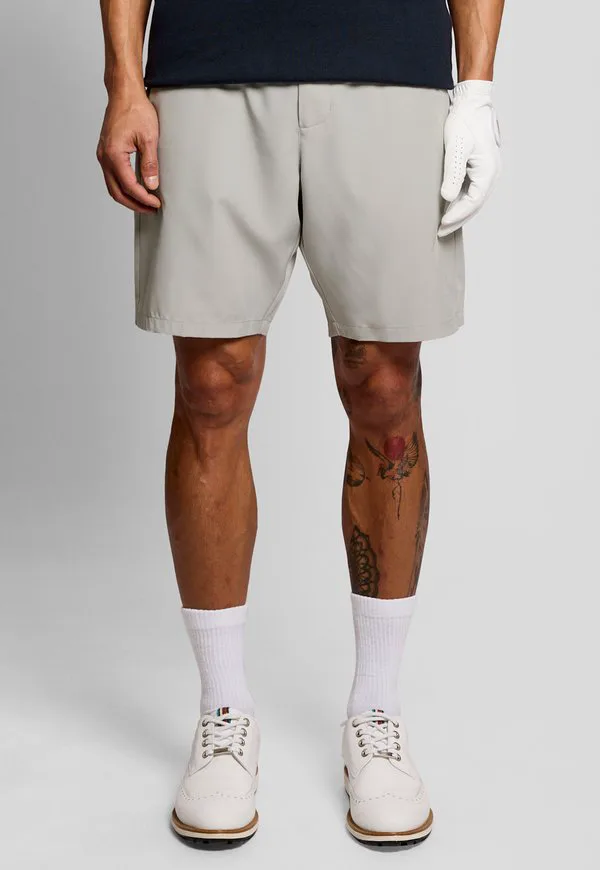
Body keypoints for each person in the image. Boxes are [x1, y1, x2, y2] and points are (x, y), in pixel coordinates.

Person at [97, 0, 504, 846]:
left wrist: (477, 90)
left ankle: (377, 710)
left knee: (385, 383)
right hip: (208, 63)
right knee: (211, 382)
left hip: (390, 64)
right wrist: (124, 80)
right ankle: (222, 712)